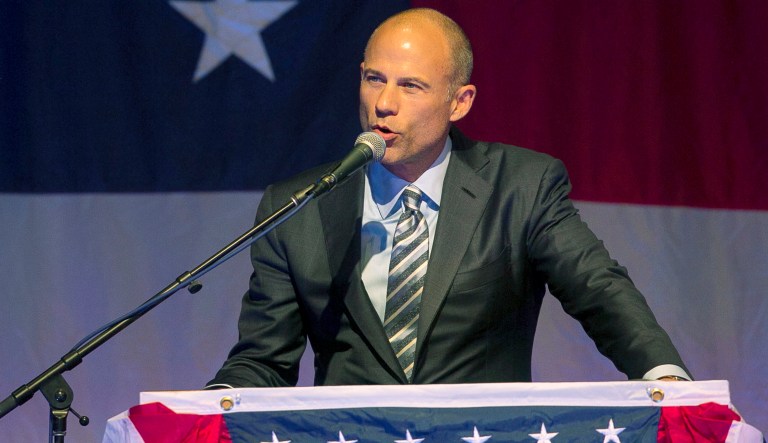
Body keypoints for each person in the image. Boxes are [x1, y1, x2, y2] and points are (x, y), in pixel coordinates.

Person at [207, 8, 690, 388]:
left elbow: (598, 290)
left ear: (460, 102)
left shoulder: (521, 187)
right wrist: (209, 411)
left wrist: (667, 382)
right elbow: (262, 360)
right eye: (374, 79)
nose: (384, 104)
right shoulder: (298, 206)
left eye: (410, 86)